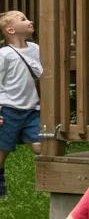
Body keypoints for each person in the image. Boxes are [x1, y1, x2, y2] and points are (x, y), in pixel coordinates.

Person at [0, 10, 43, 198]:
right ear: (10, 30)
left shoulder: (36, 49)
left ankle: (46, 180)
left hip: (32, 109)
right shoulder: (4, 54)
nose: (30, 21)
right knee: (2, 150)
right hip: (8, 109)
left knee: (40, 145)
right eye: (23, 19)